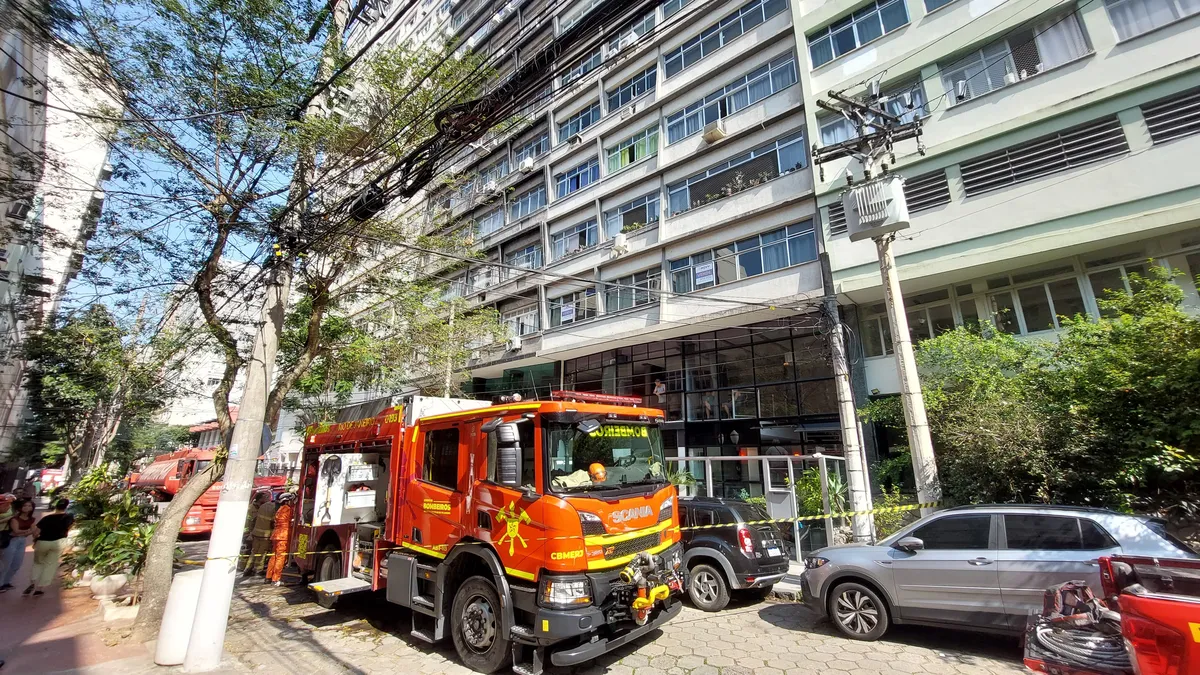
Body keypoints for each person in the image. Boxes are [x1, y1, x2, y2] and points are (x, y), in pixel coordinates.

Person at [26, 499, 73, 596]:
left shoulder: (47, 518)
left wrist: (35, 539)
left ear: (56, 506)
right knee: (51, 564)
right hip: (59, 542)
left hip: (43, 542)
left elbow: (36, 532)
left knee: (38, 563)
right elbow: (68, 530)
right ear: (67, 507)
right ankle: (40, 588)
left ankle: (33, 582)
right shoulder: (69, 518)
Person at [0, 500, 37, 591]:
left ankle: (6, 582)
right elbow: (16, 531)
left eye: (29, 506)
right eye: (25, 505)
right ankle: (1, 584)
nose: (27, 508)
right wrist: (28, 531)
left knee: (16, 564)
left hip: (22, 541)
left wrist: (28, 532)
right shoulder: (15, 519)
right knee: (6, 564)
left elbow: (33, 530)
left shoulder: (31, 519)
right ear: (20, 507)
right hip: (12, 541)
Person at [266, 493, 296, 585]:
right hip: (283, 536)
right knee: (280, 557)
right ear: (287, 500)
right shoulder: (288, 509)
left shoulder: (280, 509)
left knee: (274, 556)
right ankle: (276, 579)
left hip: (276, 535)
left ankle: (268, 577)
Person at [243, 493, 276, 576]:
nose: (267, 498)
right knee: (261, 553)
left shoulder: (261, 507)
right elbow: (273, 522)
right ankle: (258, 570)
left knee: (254, 552)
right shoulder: (272, 508)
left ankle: (248, 568)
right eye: (266, 497)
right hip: (264, 534)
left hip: (256, 533)